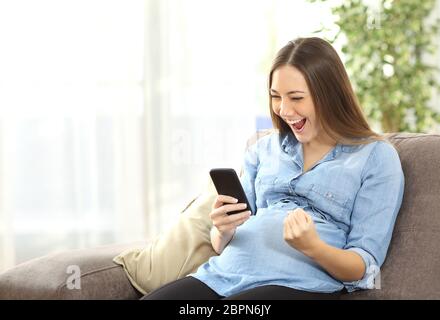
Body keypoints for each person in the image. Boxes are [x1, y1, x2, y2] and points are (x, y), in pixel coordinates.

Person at [141, 37, 405, 300]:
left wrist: (313, 247)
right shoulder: (264, 148)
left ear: (330, 96)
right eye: (276, 97)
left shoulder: (375, 157)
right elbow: (222, 244)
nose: (284, 110)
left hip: (296, 284)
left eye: (296, 98)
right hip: (223, 274)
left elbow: (364, 267)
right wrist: (222, 229)